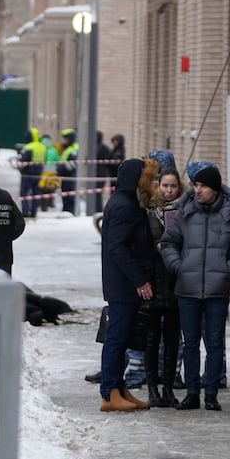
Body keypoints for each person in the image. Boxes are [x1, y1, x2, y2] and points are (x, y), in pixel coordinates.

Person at [160, 164, 230, 411]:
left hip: (217, 289)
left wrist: (229, 268)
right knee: (190, 342)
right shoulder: (184, 212)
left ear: (215, 189)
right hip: (187, 288)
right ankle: (192, 393)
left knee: (214, 342)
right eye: (195, 186)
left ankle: (211, 393)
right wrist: (179, 266)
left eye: (203, 186)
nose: (197, 190)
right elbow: (168, 242)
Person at [98, 157, 159, 412]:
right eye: (150, 179)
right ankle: (109, 392)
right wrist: (139, 279)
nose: (153, 184)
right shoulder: (124, 206)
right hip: (123, 285)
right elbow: (118, 247)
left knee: (123, 338)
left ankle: (119, 388)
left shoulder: (130, 203)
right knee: (117, 337)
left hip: (126, 284)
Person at [144, 165, 183, 408]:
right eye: (165, 185)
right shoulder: (149, 211)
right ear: (158, 187)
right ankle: (152, 388)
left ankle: (168, 387)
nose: (169, 190)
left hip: (177, 281)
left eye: (173, 186)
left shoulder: (186, 210)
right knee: (151, 336)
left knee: (172, 336)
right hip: (154, 280)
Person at [19, 127, 46, 218]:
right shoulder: (42, 147)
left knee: (24, 192)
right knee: (36, 193)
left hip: (28, 172)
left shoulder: (28, 147)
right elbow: (44, 159)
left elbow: (24, 161)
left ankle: (26, 211)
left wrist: (20, 167)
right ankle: (34, 211)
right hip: (38, 171)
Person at [58, 128, 79, 214]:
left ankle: (69, 211)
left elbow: (72, 165)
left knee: (69, 196)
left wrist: (61, 168)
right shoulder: (68, 148)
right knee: (65, 195)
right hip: (65, 176)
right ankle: (66, 210)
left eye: (66, 139)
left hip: (70, 176)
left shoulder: (74, 149)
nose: (64, 141)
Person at [38, 133, 61, 211]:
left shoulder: (48, 149)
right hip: (48, 173)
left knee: (47, 189)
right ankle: (46, 205)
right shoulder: (53, 150)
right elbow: (58, 160)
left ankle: (46, 205)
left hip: (48, 173)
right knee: (46, 190)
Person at [94, 130, 112, 213]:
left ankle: (98, 209)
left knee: (98, 192)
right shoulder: (94, 147)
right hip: (96, 173)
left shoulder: (103, 148)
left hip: (100, 173)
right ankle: (96, 209)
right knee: (95, 192)